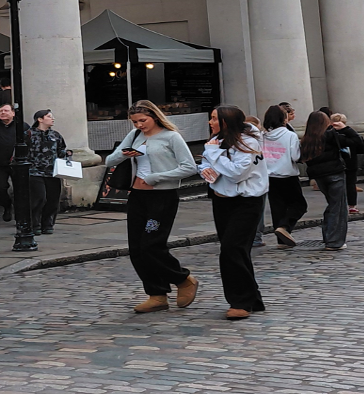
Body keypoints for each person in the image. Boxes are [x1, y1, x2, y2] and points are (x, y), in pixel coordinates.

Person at [108, 100, 199, 313]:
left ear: (155, 117)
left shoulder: (171, 137)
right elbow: (110, 161)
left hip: (161, 198)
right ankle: (156, 294)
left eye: (143, 120)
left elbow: (189, 167)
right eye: (135, 122)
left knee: (151, 244)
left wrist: (157, 177)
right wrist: (124, 154)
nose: (139, 125)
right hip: (138, 197)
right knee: (136, 248)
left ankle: (183, 279)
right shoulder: (134, 136)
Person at [201, 105, 268, 320]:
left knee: (232, 249)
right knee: (236, 251)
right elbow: (206, 164)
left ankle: (240, 301)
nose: (210, 122)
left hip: (246, 201)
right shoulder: (215, 141)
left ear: (226, 121)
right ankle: (253, 298)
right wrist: (205, 170)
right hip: (222, 200)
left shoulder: (248, 142)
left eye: (214, 118)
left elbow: (237, 173)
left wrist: (214, 155)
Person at [299, 111, 349, 251]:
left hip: (319, 175)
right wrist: (345, 129)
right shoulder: (330, 135)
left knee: (333, 204)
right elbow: (358, 143)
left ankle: (329, 235)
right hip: (334, 172)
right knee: (338, 206)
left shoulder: (307, 139)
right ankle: (334, 240)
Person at [260, 104, 305, 247]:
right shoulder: (290, 135)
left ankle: (282, 240)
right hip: (287, 175)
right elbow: (295, 156)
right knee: (299, 205)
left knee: (277, 207)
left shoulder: (262, 136)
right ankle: (284, 227)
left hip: (270, 176)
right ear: (283, 119)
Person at [26, 109, 68, 235]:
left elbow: (61, 149)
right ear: (40, 119)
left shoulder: (55, 135)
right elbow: (21, 152)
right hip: (34, 172)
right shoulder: (29, 134)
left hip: (53, 172)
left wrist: (66, 154)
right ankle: (35, 224)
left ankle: (48, 224)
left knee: (53, 199)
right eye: (49, 116)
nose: (52, 118)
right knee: (39, 198)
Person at [329, 113, 364, 210]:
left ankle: (348, 205)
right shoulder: (332, 133)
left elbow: (359, 143)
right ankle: (351, 205)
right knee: (349, 184)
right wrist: (347, 129)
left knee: (347, 184)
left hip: (346, 162)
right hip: (343, 162)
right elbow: (358, 141)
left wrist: (346, 129)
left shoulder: (345, 134)